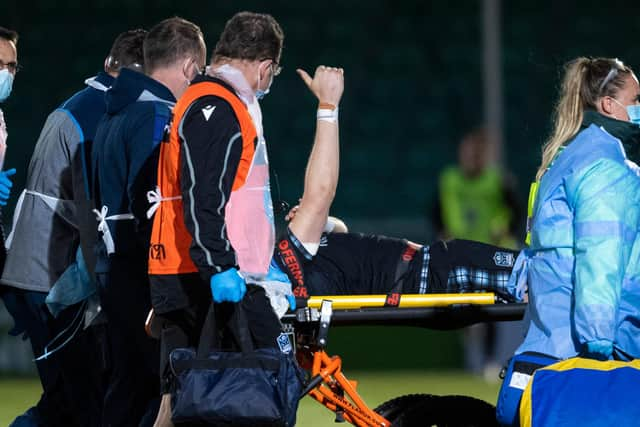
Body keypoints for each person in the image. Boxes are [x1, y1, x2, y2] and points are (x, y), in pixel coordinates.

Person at [146, 12, 291, 425]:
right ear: (265, 67)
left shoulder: (209, 100)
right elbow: (202, 196)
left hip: (198, 268)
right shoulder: (217, 106)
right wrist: (219, 266)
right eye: (273, 72)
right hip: (200, 273)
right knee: (247, 392)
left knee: (185, 401)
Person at [91, 17, 205, 427]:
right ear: (190, 67)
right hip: (144, 271)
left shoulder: (113, 113)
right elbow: (153, 205)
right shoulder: (157, 115)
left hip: (113, 265)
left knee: (126, 388)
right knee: (157, 397)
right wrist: (167, 283)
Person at [506, 57, 640, 362]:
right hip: (595, 345)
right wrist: (599, 339)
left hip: (553, 338)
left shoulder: (569, 156)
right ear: (608, 104)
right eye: (636, 100)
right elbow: (601, 254)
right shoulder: (606, 166)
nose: (639, 107)